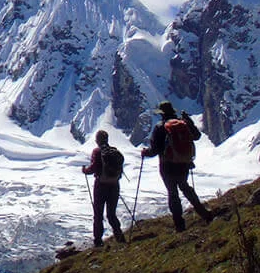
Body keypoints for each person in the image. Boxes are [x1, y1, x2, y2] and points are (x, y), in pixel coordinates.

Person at [141, 101, 214, 231]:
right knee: (185, 187)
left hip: (167, 166)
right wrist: (188, 121)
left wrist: (145, 152)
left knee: (173, 193)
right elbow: (197, 136)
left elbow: (154, 150)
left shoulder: (160, 127)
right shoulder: (182, 123)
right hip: (183, 164)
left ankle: (180, 225)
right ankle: (204, 213)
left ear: (162, 114)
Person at [83, 130, 126, 246]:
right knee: (111, 214)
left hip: (101, 186)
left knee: (98, 214)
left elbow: (92, 168)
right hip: (114, 185)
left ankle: (98, 241)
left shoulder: (97, 152)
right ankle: (119, 236)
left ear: (97, 140)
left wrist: (85, 171)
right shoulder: (115, 151)